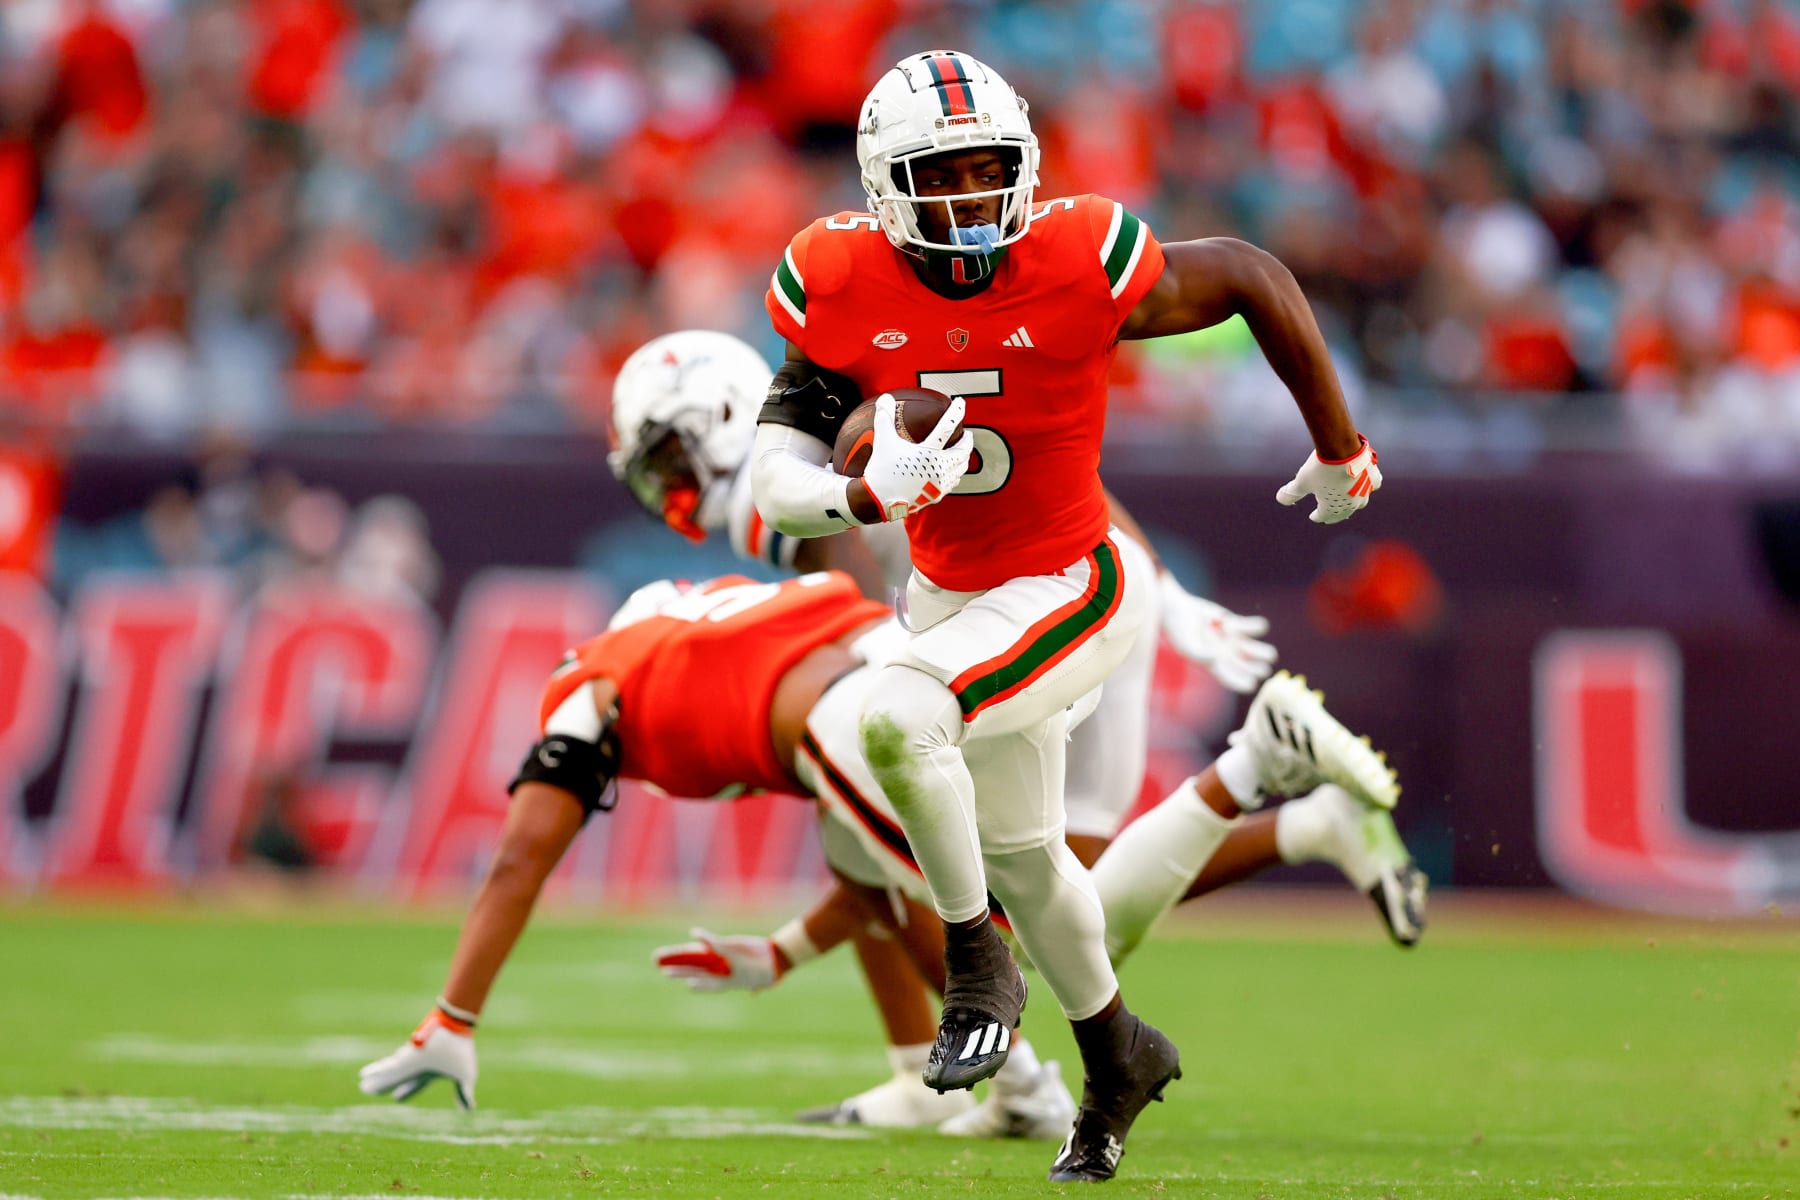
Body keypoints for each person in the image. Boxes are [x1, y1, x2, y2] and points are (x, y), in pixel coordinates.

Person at [747, 50, 1382, 1181]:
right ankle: (1117, 1051)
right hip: (949, 593)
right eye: (944, 174)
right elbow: (776, 474)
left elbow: (1243, 270)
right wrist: (859, 492)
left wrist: (1341, 446)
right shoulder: (838, 277)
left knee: (897, 717)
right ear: (885, 184)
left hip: (1075, 579)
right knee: (1034, 861)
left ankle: (973, 960)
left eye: (993, 168)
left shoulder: (1074, 254)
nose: (973, 196)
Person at [607, 328, 1424, 1136]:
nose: (670, 486)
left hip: (1038, 623)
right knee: (898, 841)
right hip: (1049, 601)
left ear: (718, 413)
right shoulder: (839, 416)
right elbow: (1047, 470)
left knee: (1036, 909)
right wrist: (1161, 586)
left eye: (671, 457)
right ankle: (1301, 818)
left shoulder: (781, 491)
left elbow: (867, 628)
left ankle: (1256, 772)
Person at [357, 573, 1403, 1176]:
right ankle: (1287, 818)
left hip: (857, 721)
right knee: (1049, 883)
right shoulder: (692, 610)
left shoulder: (588, 685)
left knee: (1055, 925)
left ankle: (1250, 769)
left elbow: (517, 859)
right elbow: (865, 870)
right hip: (916, 658)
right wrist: (781, 951)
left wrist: (452, 1015)